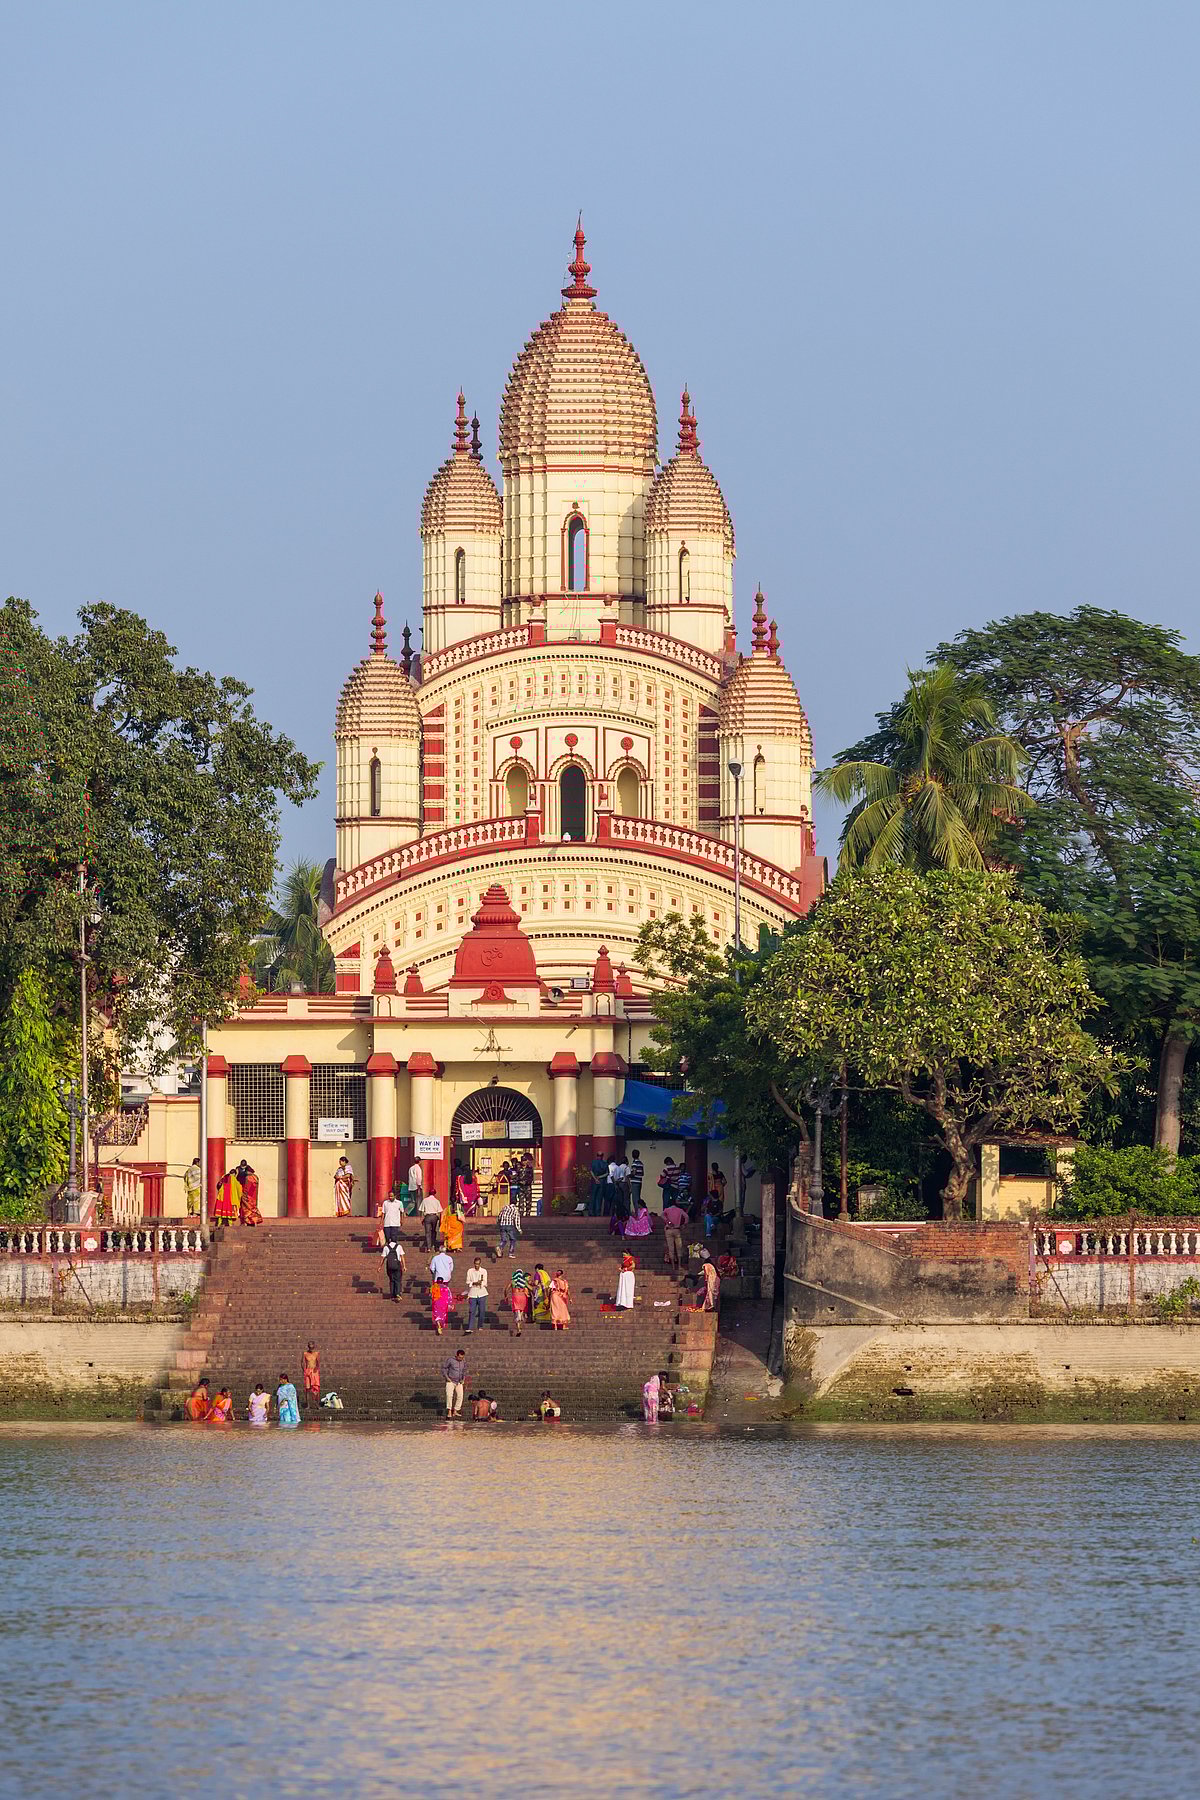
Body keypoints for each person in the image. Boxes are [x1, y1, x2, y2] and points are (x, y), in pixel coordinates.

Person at [661, 1196, 688, 1273]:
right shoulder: (680, 1210)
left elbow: (661, 1215)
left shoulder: (667, 1210)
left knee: (671, 1248)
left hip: (669, 1230)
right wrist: (684, 1224)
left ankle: (673, 1266)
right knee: (679, 1248)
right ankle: (679, 1266)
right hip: (677, 1229)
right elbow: (687, 1217)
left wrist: (668, 1221)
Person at [464, 1256, 488, 1333]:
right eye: (475, 1264)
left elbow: (485, 1282)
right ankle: (470, 1327)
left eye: (478, 1264)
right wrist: (474, 1283)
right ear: (474, 1264)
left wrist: (480, 1283)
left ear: (480, 1264)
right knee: (472, 1311)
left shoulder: (484, 1271)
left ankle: (480, 1325)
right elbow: (468, 1281)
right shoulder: (470, 1271)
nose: (476, 1265)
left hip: (482, 1293)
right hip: (472, 1293)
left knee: (482, 1311)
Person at [504, 1267, 529, 1335]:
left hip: (516, 1297)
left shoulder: (513, 1281)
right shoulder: (524, 1281)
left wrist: (505, 1296)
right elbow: (529, 1288)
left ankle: (518, 1328)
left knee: (516, 1313)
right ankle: (519, 1324)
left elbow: (506, 1289)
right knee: (520, 1312)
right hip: (523, 1297)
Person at [444, 1348, 467, 1419]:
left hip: (459, 1381)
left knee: (460, 1396)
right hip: (450, 1380)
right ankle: (449, 1411)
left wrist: (463, 1379)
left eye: (462, 1357)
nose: (461, 1359)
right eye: (460, 1357)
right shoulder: (450, 1360)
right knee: (449, 1395)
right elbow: (444, 1368)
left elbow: (464, 1371)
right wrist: (447, 1377)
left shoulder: (463, 1362)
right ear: (456, 1356)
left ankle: (456, 1410)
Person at [382, 1236, 407, 1300]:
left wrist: (379, 1266)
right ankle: (398, 1293)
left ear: (389, 1240)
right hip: (397, 1265)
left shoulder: (386, 1247)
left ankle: (392, 1294)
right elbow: (402, 1257)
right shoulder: (399, 1246)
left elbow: (383, 1258)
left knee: (391, 1280)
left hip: (389, 1266)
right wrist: (404, 1266)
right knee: (398, 1279)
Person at [497, 1194, 522, 1258]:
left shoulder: (505, 1207)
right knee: (512, 1239)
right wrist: (519, 1229)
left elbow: (500, 1215)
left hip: (502, 1225)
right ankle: (511, 1253)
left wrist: (498, 1223)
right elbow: (517, 1220)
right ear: (516, 1202)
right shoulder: (515, 1209)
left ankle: (500, 1247)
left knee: (504, 1240)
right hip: (509, 1225)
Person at [419, 1183, 442, 1252]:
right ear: (434, 1193)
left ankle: (429, 1247)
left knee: (427, 1232)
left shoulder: (425, 1200)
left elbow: (421, 1210)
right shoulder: (437, 1201)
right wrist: (440, 1220)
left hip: (427, 1216)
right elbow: (440, 1211)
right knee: (434, 1231)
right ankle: (433, 1245)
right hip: (434, 1217)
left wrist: (422, 1218)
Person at [588, 1150, 609, 1216]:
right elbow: (607, 1173)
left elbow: (591, 1171)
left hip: (594, 1182)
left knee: (593, 1197)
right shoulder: (605, 1163)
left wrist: (595, 1178)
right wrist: (599, 1177)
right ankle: (598, 1212)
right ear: (602, 1156)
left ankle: (591, 1212)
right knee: (599, 1198)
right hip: (601, 1182)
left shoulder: (593, 1162)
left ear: (597, 1156)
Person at [302, 1342, 321, 1410]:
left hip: (315, 1372)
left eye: (312, 1347)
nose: (311, 1348)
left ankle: (317, 1405)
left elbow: (318, 1362)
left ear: (314, 1347)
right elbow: (302, 1362)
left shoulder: (316, 1353)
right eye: (310, 1347)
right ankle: (308, 1405)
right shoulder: (305, 1353)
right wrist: (304, 1370)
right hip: (308, 1372)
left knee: (316, 1389)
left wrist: (316, 1368)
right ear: (308, 1347)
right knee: (307, 1389)